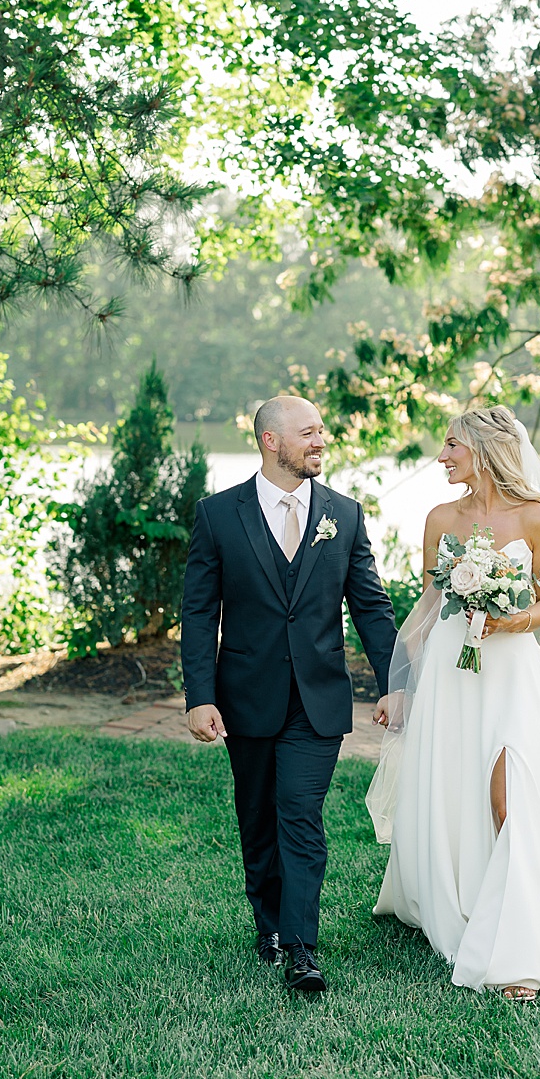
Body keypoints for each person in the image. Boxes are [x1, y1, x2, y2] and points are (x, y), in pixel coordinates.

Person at [366, 404, 540, 1000]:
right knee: (452, 782)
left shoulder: (537, 519)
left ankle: (522, 938)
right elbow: (429, 606)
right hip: (450, 671)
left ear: (484, 449)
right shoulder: (440, 518)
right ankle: (460, 894)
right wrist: (402, 686)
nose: (441, 456)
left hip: (510, 671)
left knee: (510, 795)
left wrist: (512, 620)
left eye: (451, 445)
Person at [179, 395, 399, 994]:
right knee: (257, 819)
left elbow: (372, 608)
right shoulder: (218, 515)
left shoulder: (344, 515)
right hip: (245, 696)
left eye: (322, 431)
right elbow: (198, 612)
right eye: (308, 433)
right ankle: (269, 927)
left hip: (317, 699)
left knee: (300, 815)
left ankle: (302, 946)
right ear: (270, 441)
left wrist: (395, 684)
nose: (320, 441)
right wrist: (200, 696)